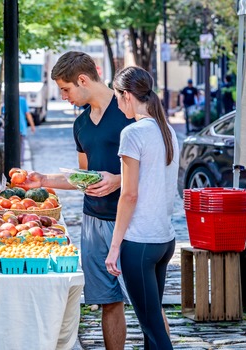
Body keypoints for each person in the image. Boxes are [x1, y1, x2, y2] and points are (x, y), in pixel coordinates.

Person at [26, 51, 134, 350]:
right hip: (93, 220)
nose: (63, 97)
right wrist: (45, 180)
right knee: (108, 302)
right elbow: (84, 176)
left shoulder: (128, 109)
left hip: (132, 222)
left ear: (83, 80)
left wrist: (118, 180)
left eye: (66, 89)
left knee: (147, 304)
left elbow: (157, 166)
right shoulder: (81, 124)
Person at [105, 66, 178, 349]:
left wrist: (114, 246)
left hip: (140, 243)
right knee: (151, 331)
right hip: (164, 239)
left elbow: (129, 194)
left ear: (126, 95)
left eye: (117, 97)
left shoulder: (132, 133)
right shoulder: (167, 129)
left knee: (155, 331)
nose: (116, 102)